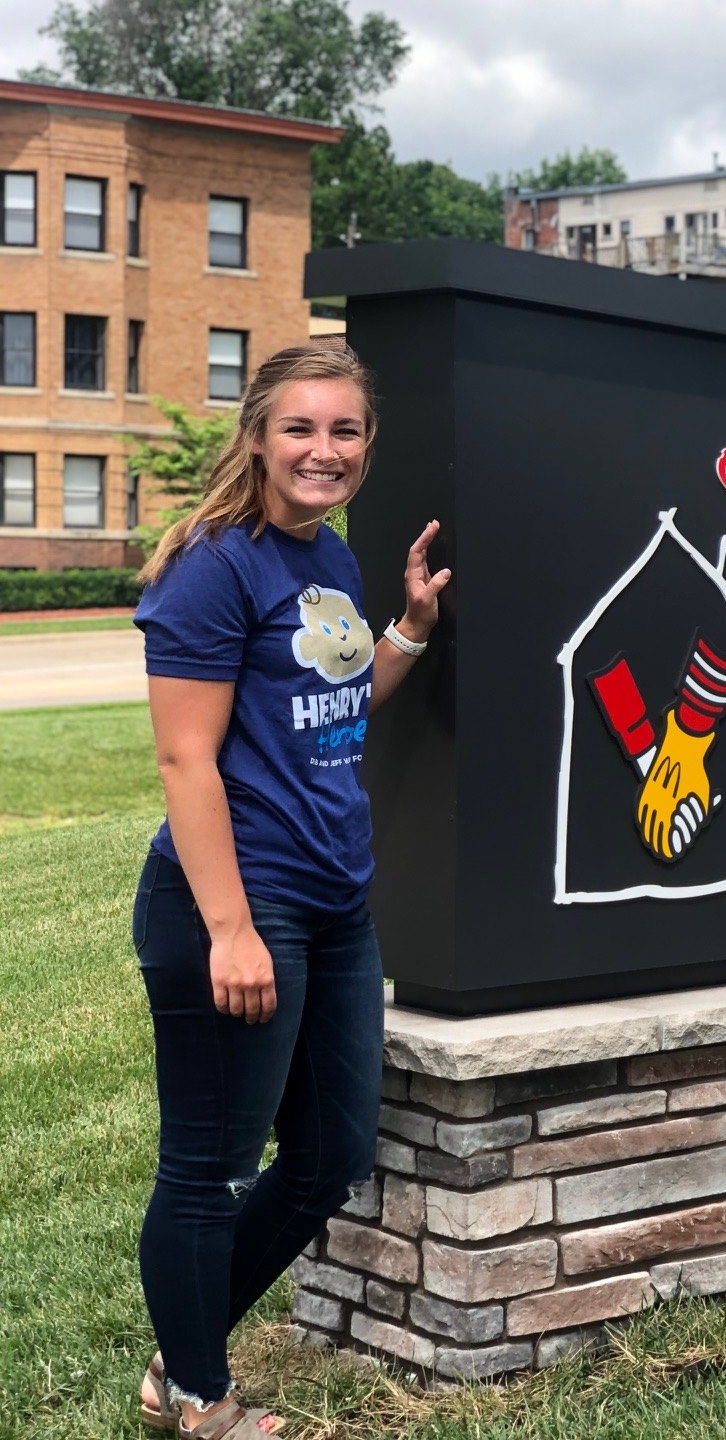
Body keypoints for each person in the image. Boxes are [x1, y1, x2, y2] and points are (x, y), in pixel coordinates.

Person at [128, 344, 448, 1438]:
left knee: (326, 1159)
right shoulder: (211, 566)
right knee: (210, 1169)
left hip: (333, 903)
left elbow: (335, 699)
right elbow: (185, 762)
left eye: (346, 430)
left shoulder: (329, 559)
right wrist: (230, 929)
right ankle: (206, 1403)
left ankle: (182, 1355)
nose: (325, 450)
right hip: (237, 907)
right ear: (258, 436)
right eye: (303, 428)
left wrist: (403, 628)